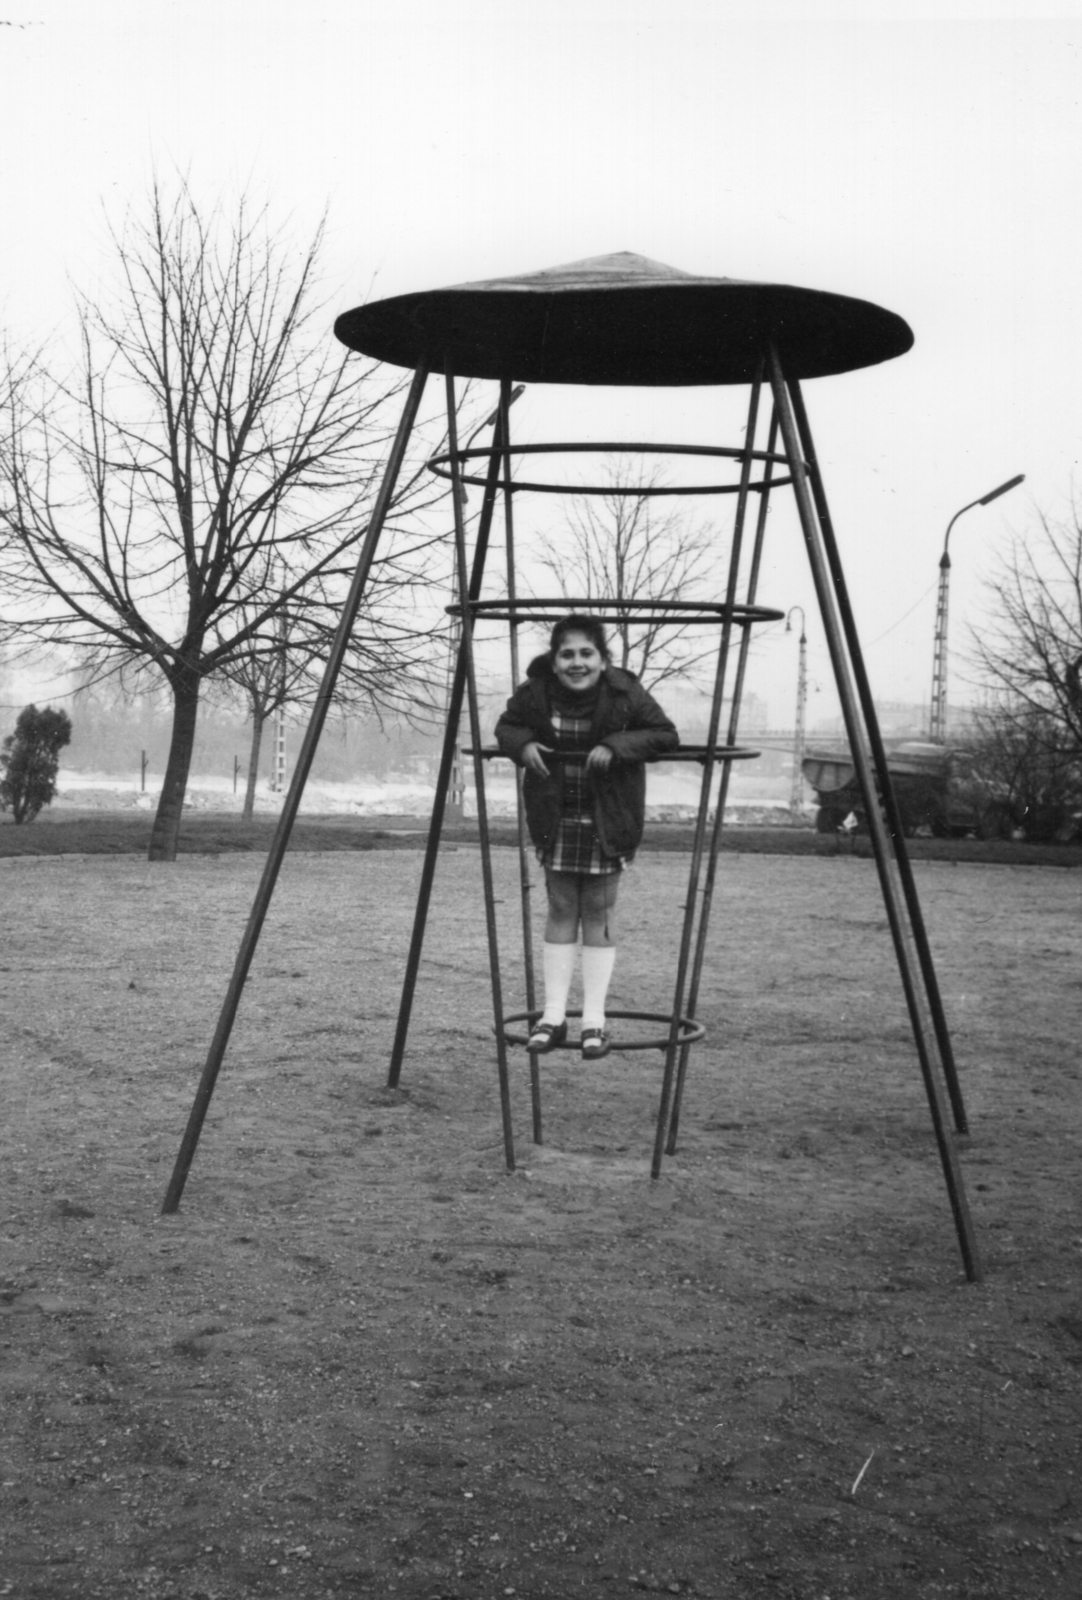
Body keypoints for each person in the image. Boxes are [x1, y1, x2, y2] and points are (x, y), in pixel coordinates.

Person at [494, 614, 679, 1060]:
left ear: (602, 658)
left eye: (586, 654)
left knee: (598, 910)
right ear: (554, 660)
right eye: (567, 654)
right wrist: (522, 745)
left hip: (606, 818)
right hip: (556, 816)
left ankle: (594, 1018)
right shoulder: (536, 692)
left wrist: (618, 746)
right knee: (560, 907)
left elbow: (663, 734)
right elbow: (506, 725)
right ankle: (553, 1015)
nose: (577, 663)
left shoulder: (623, 693)